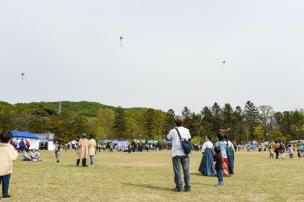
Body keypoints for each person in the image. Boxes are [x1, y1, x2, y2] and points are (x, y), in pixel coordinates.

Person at [167, 115, 191, 192]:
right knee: (186, 171)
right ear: (182, 122)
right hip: (185, 153)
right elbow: (189, 138)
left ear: (175, 123)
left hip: (176, 153)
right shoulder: (186, 130)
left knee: (177, 171)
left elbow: (167, 138)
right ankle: (187, 187)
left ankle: (179, 187)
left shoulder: (172, 131)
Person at [0, 131, 18, 199]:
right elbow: (14, 157)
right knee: (5, 183)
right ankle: (5, 194)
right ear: (10, 139)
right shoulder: (10, 147)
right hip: (6, 169)